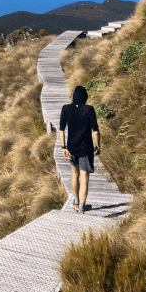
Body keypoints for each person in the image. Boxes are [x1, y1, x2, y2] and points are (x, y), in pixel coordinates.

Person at [59, 85, 100, 213]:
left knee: (74, 174)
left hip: (71, 148)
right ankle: (82, 208)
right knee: (84, 178)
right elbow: (96, 131)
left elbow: (61, 130)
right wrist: (98, 146)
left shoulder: (66, 108)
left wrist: (63, 147)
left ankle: (76, 201)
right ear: (85, 97)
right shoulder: (89, 109)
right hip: (86, 149)